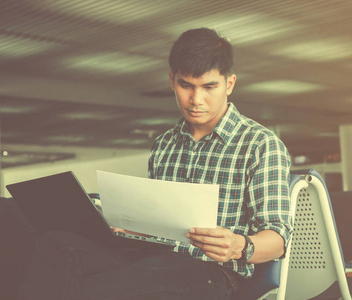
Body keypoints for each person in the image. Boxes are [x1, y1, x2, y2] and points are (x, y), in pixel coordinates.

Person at [20, 27, 292, 300]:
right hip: (155, 260)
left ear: (229, 84)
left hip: (214, 273)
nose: (196, 100)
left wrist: (239, 246)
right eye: (186, 85)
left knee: (101, 288)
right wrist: (129, 228)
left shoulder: (260, 144)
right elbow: (156, 225)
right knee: (57, 244)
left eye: (209, 87)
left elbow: (278, 240)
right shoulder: (164, 145)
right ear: (172, 80)